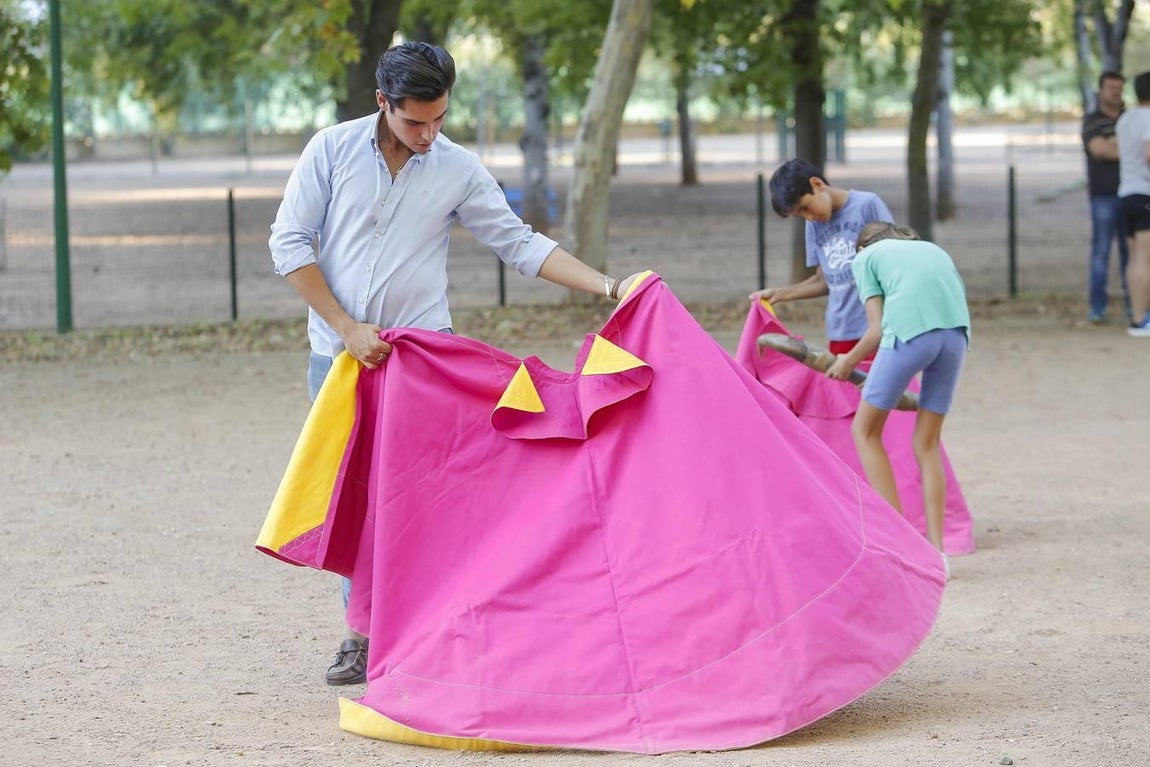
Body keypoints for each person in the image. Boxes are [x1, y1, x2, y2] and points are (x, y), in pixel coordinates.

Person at [268, 41, 643, 685]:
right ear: (382, 102)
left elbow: (519, 244)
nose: (428, 134)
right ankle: (362, 634)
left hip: (423, 366)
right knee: (356, 500)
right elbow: (289, 243)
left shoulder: (457, 167)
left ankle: (426, 631)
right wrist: (347, 328)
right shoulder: (329, 150)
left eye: (439, 119)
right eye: (416, 121)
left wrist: (611, 287)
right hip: (338, 360)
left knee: (425, 500)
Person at [826, 222, 971, 579]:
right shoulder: (931, 248)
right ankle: (937, 552)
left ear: (862, 248)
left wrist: (847, 361)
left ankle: (903, 544)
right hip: (956, 340)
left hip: (908, 336)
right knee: (927, 443)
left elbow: (877, 329)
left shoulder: (866, 258)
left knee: (864, 431)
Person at [749, 158, 894, 357]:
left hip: (877, 329)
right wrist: (779, 294)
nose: (808, 217)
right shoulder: (813, 226)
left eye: (805, 207)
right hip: (840, 333)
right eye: (800, 215)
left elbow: (893, 263)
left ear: (817, 184)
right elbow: (823, 281)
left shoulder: (867, 205)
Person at [1082, 71, 1130, 324]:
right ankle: (1097, 306)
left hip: (1130, 194)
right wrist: (1129, 148)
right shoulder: (1092, 121)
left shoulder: (1130, 118)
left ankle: (1135, 305)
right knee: (1101, 252)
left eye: (1119, 88)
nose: (1116, 92)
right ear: (1101, 90)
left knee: (1132, 253)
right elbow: (1099, 150)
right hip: (1103, 194)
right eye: (1111, 87)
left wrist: (1115, 144)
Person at [1116, 70, 1150, 337]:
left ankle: (1137, 317)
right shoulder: (1148, 118)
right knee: (1144, 258)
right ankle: (1141, 319)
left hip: (1126, 193)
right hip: (1144, 194)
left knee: (1135, 258)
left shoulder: (1125, 119)